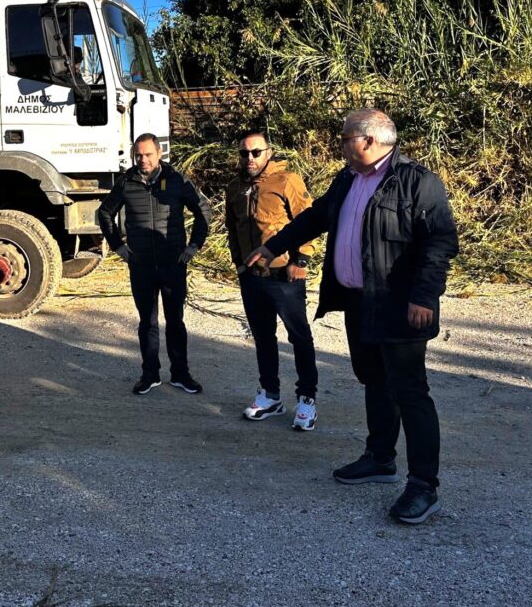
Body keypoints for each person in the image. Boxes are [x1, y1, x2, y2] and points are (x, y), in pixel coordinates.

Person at [245, 109, 459, 524]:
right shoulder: (347, 180)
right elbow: (315, 217)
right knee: (374, 381)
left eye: (344, 138)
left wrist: (424, 295)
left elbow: (440, 242)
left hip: (400, 306)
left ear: (368, 141)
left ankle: (423, 487)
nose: (340, 144)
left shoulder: (417, 181)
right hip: (359, 303)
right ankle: (380, 459)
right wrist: (275, 247)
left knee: (410, 392)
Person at [99, 133, 212, 396]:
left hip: (172, 263)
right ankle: (149, 374)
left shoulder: (175, 180)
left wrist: (194, 246)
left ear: (159, 154)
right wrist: (118, 246)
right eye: (138, 155)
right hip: (141, 266)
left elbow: (202, 209)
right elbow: (105, 213)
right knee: (147, 323)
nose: (143, 159)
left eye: (148, 154)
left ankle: (180, 374)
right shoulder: (126, 182)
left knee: (175, 322)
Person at [224, 129, 319, 430]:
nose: (249, 158)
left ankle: (307, 399)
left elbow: (309, 221)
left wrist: (301, 260)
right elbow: (232, 227)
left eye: (255, 152)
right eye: (244, 153)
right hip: (252, 278)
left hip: (284, 275)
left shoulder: (286, 180)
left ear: (268, 152)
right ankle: (270, 395)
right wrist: (239, 265)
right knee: (263, 337)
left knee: (299, 336)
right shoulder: (235, 187)